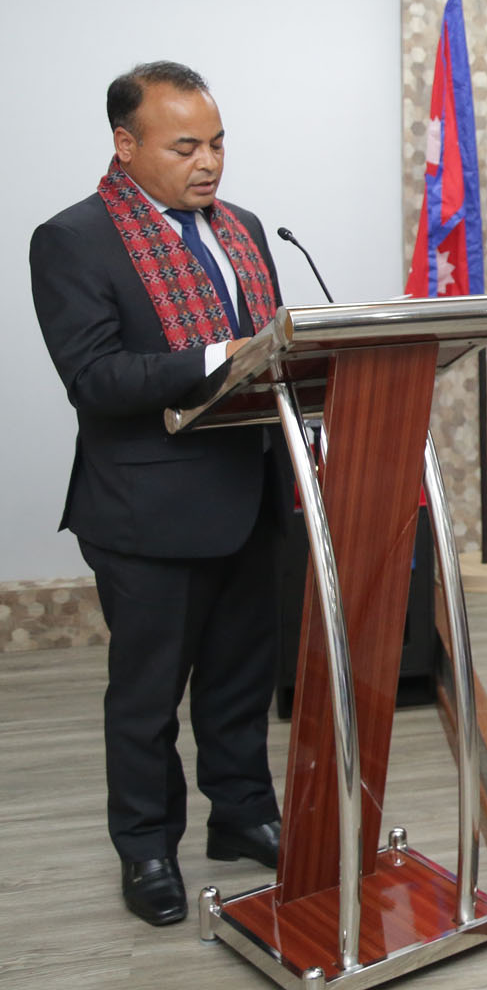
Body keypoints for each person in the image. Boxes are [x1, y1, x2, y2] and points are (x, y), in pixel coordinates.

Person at [29, 62, 287, 927]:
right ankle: (145, 847)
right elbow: (96, 377)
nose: (208, 162)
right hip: (145, 513)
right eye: (186, 146)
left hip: (250, 489)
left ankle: (243, 813)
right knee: (146, 697)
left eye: (217, 142)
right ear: (126, 144)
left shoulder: (242, 228)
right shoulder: (73, 239)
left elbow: (276, 354)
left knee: (240, 679)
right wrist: (220, 358)